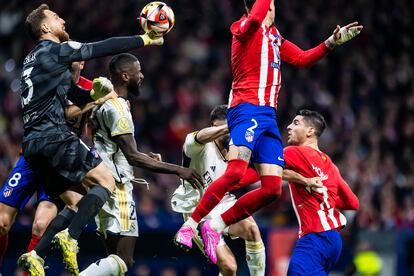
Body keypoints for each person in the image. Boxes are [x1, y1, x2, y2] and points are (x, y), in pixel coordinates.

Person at [175, 0, 363, 264]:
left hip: (268, 116)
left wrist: (331, 42)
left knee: (273, 188)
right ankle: (189, 226)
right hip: (246, 110)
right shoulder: (244, 28)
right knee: (236, 172)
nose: (275, 8)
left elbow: (301, 58)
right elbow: (254, 19)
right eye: (271, 4)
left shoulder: (275, 37)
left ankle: (214, 226)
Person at [17, 3, 170, 274]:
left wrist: (96, 95)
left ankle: (37, 256)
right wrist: (145, 39)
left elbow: (74, 96)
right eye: (55, 17)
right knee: (106, 181)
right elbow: (99, 46)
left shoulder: (34, 61)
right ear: (44, 28)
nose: (61, 20)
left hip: (31, 144)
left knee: (77, 202)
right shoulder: (52, 50)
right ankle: (70, 238)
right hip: (53, 136)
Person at [79, 53, 202, 276]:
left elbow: (115, 148)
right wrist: (179, 170)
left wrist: (142, 155)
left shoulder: (103, 103)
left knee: (113, 262)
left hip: (101, 184)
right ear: (126, 76)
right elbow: (132, 156)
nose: (142, 75)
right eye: (138, 71)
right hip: (117, 188)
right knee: (124, 261)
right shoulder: (118, 108)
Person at [0, 61, 110, 273]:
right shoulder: (49, 83)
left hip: (62, 162)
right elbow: (57, 115)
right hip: (32, 157)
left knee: (41, 226)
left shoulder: (90, 86)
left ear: (82, 61)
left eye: (74, 56)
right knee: (2, 223)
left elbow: (111, 101)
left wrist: (118, 103)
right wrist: (95, 99)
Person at [172, 105, 266, 276]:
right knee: (230, 268)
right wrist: (230, 126)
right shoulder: (198, 147)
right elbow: (198, 137)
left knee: (252, 230)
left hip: (223, 202)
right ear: (214, 125)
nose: (232, 132)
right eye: (227, 126)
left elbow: (264, 172)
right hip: (196, 209)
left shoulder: (236, 151)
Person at [283, 109, 359, 275]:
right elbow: (353, 203)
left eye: (296, 123)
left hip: (315, 235)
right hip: (333, 240)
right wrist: (327, 198)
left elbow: (266, 169)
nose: (289, 127)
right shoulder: (331, 165)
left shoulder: (293, 152)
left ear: (310, 131)